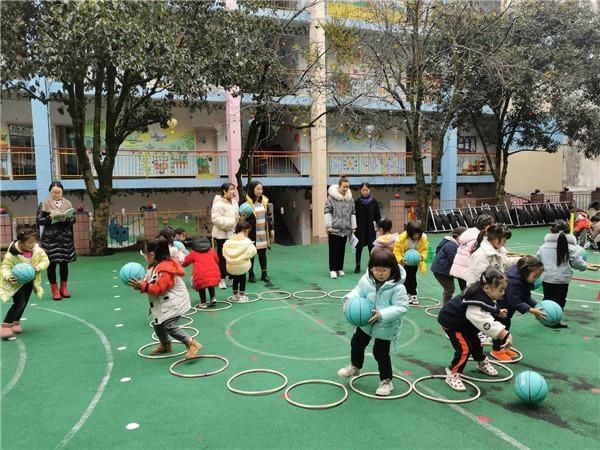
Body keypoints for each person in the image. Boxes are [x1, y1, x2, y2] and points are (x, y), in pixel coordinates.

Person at [337, 248, 409, 396]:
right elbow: (358, 291)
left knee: (380, 353)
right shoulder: (366, 280)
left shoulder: (398, 287)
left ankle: (386, 381)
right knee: (356, 344)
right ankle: (355, 367)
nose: (380, 273)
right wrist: (348, 300)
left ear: (392, 269)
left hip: (385, 326)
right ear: (370, 269)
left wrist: (382, 314)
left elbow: (402, 307)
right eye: (376, 270)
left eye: (384, 270)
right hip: (366, 323)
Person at [437, 267, 512, 392]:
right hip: (453, 324)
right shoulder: (475, 302)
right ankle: (452, 373)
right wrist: (503, 333)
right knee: (464, 349)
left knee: (476, 343)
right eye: (501, 290)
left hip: (465, 325)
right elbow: (483, 320)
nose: (503, 293)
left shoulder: (484, 291)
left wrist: (497, 311)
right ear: (487, 287)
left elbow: (488, 305)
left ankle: (481, 361)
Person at [128, 237, 202, 358]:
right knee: (158, 324)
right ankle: (165, 345)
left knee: (169, 325)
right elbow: (150, 283)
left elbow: (159, 289)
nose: (145, 256)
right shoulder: (153, 267)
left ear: (152, 255)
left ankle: (191, 343)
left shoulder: (165, 269)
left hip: (175, 302)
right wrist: (141, 285)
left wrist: (143, 286)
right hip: (164, 302)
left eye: (145, 254)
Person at [491, 256, 545, 361]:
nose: (537, 278)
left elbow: (525, 296)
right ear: (526, 272)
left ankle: (503, 347)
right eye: (536, 276)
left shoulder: (523, 277)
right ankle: (496, 350)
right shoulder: (514, 281)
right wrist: (532, 310)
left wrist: (537, 306)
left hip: (508, 307)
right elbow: (515, 301)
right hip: (501, 307)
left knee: (506, 325)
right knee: (501, 327)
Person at [536, 220, 587, 328]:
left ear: (551, 231)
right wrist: (584, 266)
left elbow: (537, 261)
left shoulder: (543, 247)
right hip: (562, 279)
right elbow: (578, 263)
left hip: (547, 278)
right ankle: (555, 321)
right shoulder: (573, 248)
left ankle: (545, 318)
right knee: (560, 300)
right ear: (569, 232)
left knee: (547, 298)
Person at [0, 228, 49, 339]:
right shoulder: (12, 253)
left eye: (34, 242)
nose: (33, 245)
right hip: (16, 283)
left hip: (29, 281)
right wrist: (8, 276)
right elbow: (5, 266)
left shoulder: (37, 250)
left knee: (25, 302)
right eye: (29, 243)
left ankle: (16, 322)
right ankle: (6, 325)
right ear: (21, 243)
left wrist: (37, 268)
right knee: (19, 303)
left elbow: (45, 261)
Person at [36, 181, 76, 300]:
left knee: (64, 264)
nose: (56, 194)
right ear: (50, 192)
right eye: (54, 192)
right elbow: (39, 221)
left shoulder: (68, 203)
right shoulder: (44, 204)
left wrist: (66, 219)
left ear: (62, 192)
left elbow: (73, 219)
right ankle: (54, 290)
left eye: (59, 192)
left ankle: (64, 288)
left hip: (65, 238)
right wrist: (49, 218)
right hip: (50, 239)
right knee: (51, 265)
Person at [449, 214, 495, 290]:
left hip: (459, 270)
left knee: (464, 293)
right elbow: (478, 256)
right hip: (467, 272)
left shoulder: (469, 234)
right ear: (487, 226)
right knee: (470, 295)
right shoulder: (477, 238)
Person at [242, 180, 274, 283]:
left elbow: (268, 217)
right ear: (252, 189)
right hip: (252, 233)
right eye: (258, 189)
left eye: (261, 188)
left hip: (263, 233)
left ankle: (264, 274)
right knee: (251, 255)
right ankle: (251, 274)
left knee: (262, 254)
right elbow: (243, 219)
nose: (260, 191)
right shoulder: (246, 203)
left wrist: (271, 228)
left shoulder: (264, 201)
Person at [324, 176, 356, 279]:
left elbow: (353, 213)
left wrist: (353, 226)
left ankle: (339, 268)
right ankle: (332, 270)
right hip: (334, 229)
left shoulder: (350, 199)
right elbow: (327, 211)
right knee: (334, 249)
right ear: (339, 186)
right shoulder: (331, 198)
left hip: (345, 228)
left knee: (342, 249)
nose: (346, 189)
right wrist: (328, 225)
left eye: (347, 187)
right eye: (344, 187)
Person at [393, 220, 429, 305]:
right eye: (415, 234)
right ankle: (406, 294)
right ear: (409, 232)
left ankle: (413, 294)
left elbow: (424, 250)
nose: (416, 236)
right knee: (404, 279)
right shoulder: (401, 239)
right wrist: (401, 259)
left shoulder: (422, 239)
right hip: (404, 263)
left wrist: (421, 257)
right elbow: (396, 251)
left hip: (414, 263)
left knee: (412, 278)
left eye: (418, 234)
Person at [211, 182, 239, 289]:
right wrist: (232, 223)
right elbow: (215, 219)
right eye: (231, 189)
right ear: (224, 191)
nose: (233, 191)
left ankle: (229, 276)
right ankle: (221, 278)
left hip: (232, 234)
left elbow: (237, 216)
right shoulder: (218, 203)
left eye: (234, 189)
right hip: (221, 235)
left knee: (231, 257)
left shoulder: (234, 202)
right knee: (222, 258)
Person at [223, 221, 257, 303]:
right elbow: (252, 252)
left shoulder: (230, 241)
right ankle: (242, 296)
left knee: (235, 279)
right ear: (246, 231)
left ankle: (235, 295)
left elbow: (224, 251)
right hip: (242, 266)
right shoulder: (247, 241)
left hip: (231, 266)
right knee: (242, 279)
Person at [431, 226, 467, 305]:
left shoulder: (453, 244)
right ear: (457, 237)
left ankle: (449, 304)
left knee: (450, 288)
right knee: (449, 289)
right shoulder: (451, 246)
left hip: (446, 270)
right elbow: (455, 260)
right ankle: (446, 306)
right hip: (441, 271)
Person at [182, 237, 220, 309]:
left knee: (201, 286)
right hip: (214, 273)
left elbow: (185, 263)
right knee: (210, 283)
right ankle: (213, 298)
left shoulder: (193, 253)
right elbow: (217, 260)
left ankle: (203, 303)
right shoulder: (211, 251)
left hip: (200, 275)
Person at [354, 182, 381, 273]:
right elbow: (353, 215)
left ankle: (372, 266)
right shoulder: (357, 202)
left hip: (370, 229)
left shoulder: (374, 202)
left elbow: (378, 216)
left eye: (366, 190)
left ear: (369, 190)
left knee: (371, 248)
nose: (365, 192)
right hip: (360, 229)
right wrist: (354, 227)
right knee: (359, 247)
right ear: (360, 191)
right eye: (363, 190)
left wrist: (378, 226)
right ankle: (357, 265)